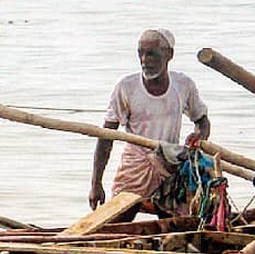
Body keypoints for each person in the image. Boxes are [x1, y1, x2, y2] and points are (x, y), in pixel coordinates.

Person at [89, 29, 211, 216]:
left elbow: (202, 121)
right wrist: (96, 184)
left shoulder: (183, 85)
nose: (145, 60)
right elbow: (106, 137)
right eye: (141, 53)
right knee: (117, 220)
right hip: (135, 166)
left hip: (169, 166)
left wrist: (199, 136)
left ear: (168, 55)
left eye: (151, 54)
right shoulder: (127, 87)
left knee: (177, 226)